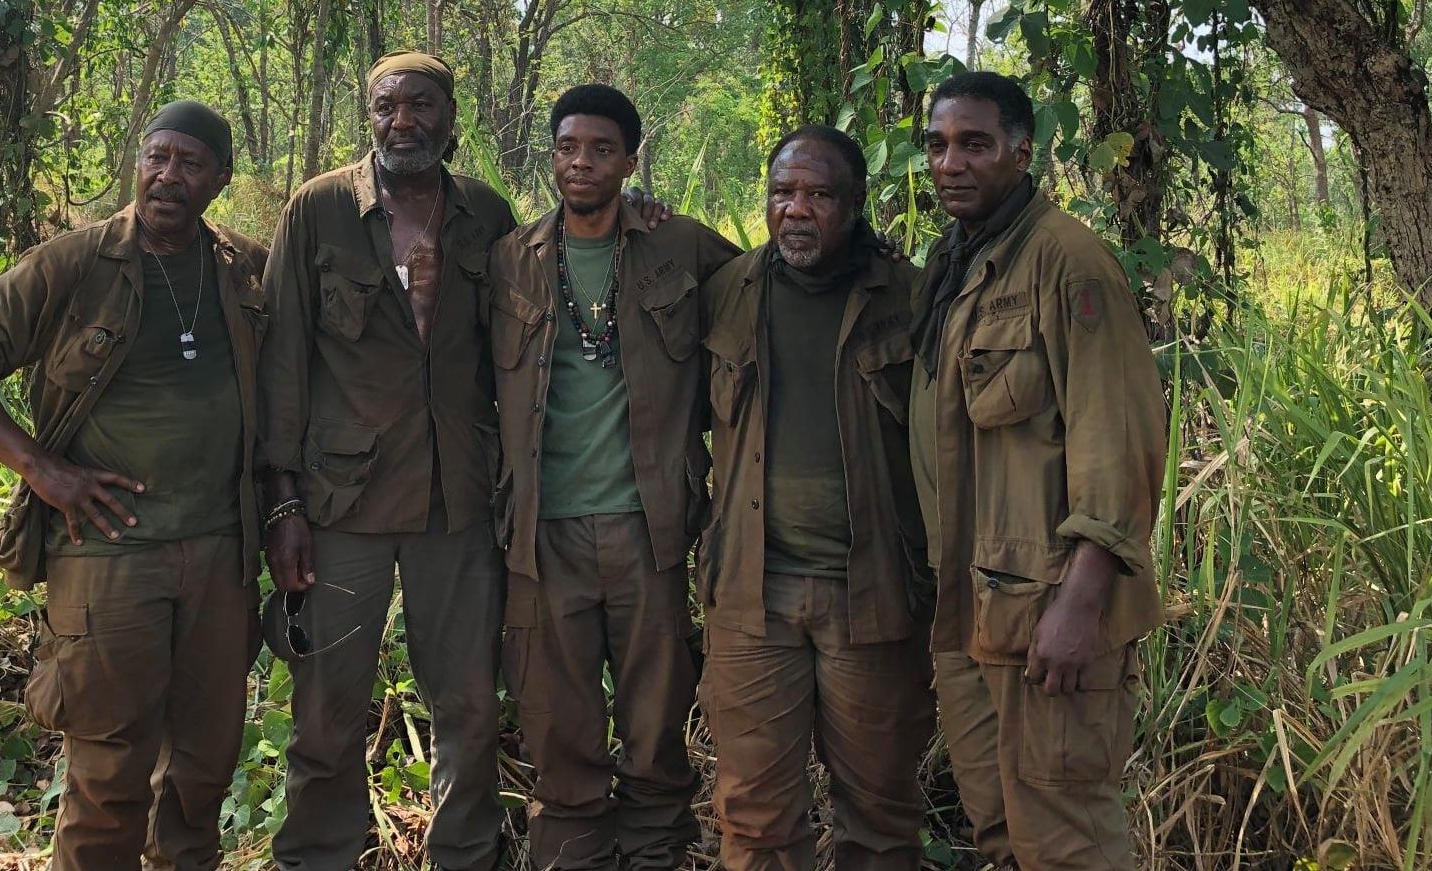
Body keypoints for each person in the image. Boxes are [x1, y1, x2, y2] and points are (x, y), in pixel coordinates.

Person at [258, 53, 670, 871]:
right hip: (345, 503)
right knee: (328, 709)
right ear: (367, 115)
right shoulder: (320, 210)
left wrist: (636, 216)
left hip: (461, 500)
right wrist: (283, 505)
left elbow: (528, 336)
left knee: (470, 704)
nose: (401, 121)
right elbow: (282, 360)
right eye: (386, 107)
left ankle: (465, 855)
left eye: (420, 105)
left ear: (452, 117)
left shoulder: (486, 211)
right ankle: (318, 856)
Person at [0, 101, 267, 871]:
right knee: (109, 774)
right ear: (138, 162)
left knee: (203, 771)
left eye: (190, 163)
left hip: (220, 554)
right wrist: (43, 470)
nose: (168, 176)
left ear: (221, 178)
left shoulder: (246, 268)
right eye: (156, 156)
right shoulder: (75, 264)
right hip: (110, 554)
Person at [911, 71, 1165, 871]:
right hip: (973, 609)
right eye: (939, 145)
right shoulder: (957, 262)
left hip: (1048, 615)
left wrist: (1079, 606)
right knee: (1000, 833)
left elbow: (1117, 443)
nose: (952, 163)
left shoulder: (1068, 262)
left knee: (1066, 840)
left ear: (1022, 154)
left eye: (975, 145)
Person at [489, 84, 739, 870]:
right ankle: (573, 857)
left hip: (649, 529)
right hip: (542, 531)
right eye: (568, 148)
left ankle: (657, 853)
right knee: (556, 719)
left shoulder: (685, 247)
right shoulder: (510, 261)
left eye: (602, 150)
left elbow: (766, 300)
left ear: (632, 160)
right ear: (550, 155)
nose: (582, 163)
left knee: (657, 715)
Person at [697, 125, 934, 871]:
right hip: (751, 598)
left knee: (881, 808)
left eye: (819, 194)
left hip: (874, 597)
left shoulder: (913, 296)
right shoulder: (725, 289)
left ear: (858, 204)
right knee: (756, 815)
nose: (796, 210)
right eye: (782, 192)